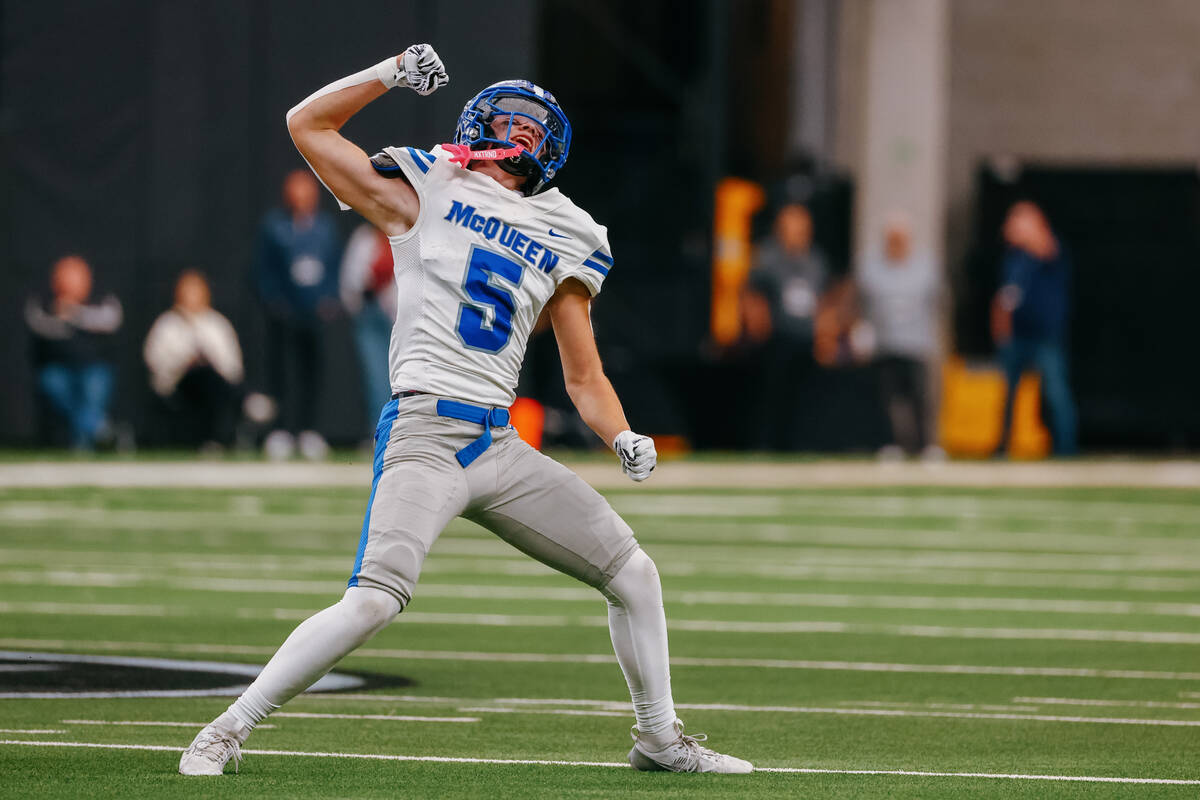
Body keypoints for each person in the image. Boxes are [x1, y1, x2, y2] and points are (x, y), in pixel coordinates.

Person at [179, 44, 751, 775]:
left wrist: (621, 433)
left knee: (633, 574)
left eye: (528, 128)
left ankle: (659, 739)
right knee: (375, 601)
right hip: (425, 429)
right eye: (504, 121)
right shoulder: (429, 183)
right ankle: (228, 727)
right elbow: (307, 126)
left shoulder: (570, 230)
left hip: (498, 444)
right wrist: (388, 74)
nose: (513, 135)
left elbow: (584, 376)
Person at [253, 168, 342, 461]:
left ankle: (308, 430)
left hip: (314, 313)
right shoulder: (275, 226)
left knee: (312, 372)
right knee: (282, 372)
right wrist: (276, 302)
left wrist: (328, 298)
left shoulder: (325, 227)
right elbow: (265, 270)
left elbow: (332, 267)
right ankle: (281, 430)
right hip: (285, 313)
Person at [991, 200, 1078, 456]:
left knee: (1055, 393)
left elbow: (1044, 247)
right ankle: (1003, 447)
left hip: (1045, 337)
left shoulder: (1049, 248)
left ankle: (1065, 449)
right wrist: (1001, 332)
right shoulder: (1013, 258)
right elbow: (1004, 298)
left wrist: (1028, 227)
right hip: (1016, 336)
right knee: (1008, 395)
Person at [856, 214, 944, 460]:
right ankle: (888, 443)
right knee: (886, 399)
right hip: (885, 343)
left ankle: (926, 445)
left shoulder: (925, 266)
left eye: (900, 239)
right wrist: (864, 332)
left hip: (916, 343)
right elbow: (863, 303)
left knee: (921, 399)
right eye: (892, 239)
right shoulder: (871, 266)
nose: (896, 244)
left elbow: (935, 304)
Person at [743, 203, 829, 450]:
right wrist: (758, 325)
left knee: (804, 400)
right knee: (772, 398)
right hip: (777, 339)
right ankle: (765, 446)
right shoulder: (768, 256)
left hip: (806, 339)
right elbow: (753, 293)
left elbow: (821, 300)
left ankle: (799, 446)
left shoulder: (815, 259)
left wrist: (824, 333)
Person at [24, 254, 122, 450]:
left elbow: (110, 321)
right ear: (55, 281)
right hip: (57, 369)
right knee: (52, 383)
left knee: (93, 385)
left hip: (94, 368)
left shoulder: (103, 298)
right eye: (65, 278)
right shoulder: (43, 302)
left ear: (87, 279)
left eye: (75, 278)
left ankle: (83, 443)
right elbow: (39, 325)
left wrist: (75, 312)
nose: (70, 284)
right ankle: (101, 429)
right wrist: (64, 315)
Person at [143, 270, 245, 449]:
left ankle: (216, 439)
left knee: (209, 378)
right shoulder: (167, 324)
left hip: (215, 385)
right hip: (180, 384)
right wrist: (183, 362)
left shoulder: (217, 324)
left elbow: (233, 366)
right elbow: (154, 360)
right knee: (199, 376)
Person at [339, 222, 397, 442]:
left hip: (401, 318)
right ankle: (379, 433)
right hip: (370, 314)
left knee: (401, 378)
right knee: (375, 377)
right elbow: (350, 282)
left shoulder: (408, 234)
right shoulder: (363, 238)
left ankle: (401, 433)